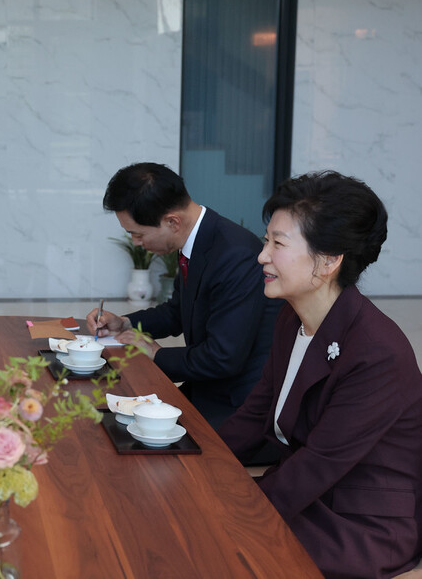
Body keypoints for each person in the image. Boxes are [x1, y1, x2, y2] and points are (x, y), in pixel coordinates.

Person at [218, 171, 422, 578]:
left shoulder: (377, 351)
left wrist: (237, 510)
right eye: (266, 241)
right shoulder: (291, 317)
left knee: (216, 546)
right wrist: (197, 462)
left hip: (357, 520)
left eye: (278, 244)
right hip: (305, 493)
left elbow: (320, 463)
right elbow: (255, 415)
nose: (262, 255)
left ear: (329, 261)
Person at [86, 163, 281, 428]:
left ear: (172, 222)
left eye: (138, 233)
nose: (136, 243)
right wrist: (125, 323)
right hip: (207, 387)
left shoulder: (235, 254)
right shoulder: (200, 238)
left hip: (239, 406)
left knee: (131, 431)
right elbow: (178, 311)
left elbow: (223, 357)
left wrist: (156, 354)